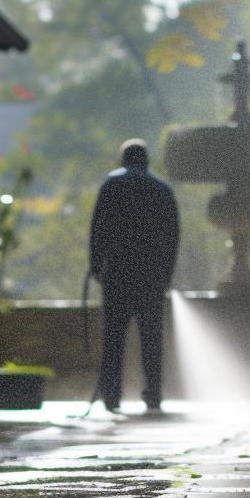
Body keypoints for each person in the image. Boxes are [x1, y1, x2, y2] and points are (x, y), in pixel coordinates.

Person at [88, 139, 179, 413]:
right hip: (151, 277)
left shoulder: (112, 184)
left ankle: (111, 395)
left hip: (118, 274)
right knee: (152, 339)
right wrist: (166, 274)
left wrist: (96, 265)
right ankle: (154, 395)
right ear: (146, 160)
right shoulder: (162, 189)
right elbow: (172, 236)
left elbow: (98, 228)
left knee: (114, 339)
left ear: (123, 159)